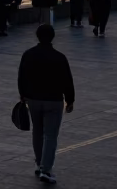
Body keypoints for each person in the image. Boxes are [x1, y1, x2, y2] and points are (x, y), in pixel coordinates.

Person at [18, 24, 75, 185]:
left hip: (33, 100)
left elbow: (21, 76)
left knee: (37, 131)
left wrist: (23, 95)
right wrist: (70, 100)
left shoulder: (28, 55)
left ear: (37, 36)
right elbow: (67, 81)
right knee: (50, 135)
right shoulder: (59, 57)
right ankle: (46, 169)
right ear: (53, 37)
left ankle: (38, 163)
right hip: (54, 100)